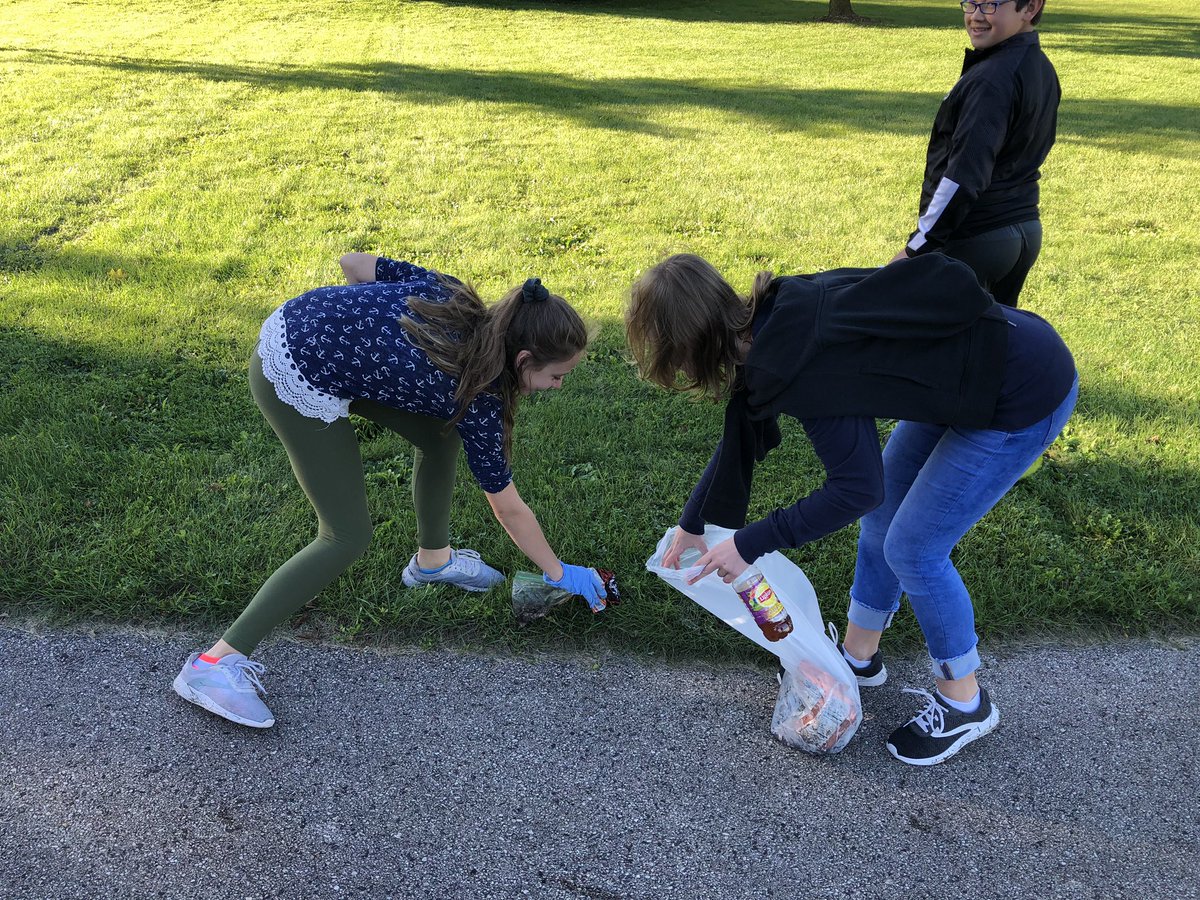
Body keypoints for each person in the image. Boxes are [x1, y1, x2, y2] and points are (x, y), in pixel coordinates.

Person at [625, 252, 1077, 766]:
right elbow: (743, 427)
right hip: (967, 373)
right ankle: (859, 659)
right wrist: (693, 523)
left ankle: (965, 700)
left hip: (1021, 387)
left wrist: (749, 545)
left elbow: (856, 488)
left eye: (676, 361)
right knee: (885, 525)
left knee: (915, 548)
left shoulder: (801, 366)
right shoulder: (767, 320)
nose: (682, 372)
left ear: (691, 346)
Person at [173, 253, 608, 728]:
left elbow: (355, 265)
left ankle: (432, 562)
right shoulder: (479, 396)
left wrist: (356, 337)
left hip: (308, 330)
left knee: (440, 434)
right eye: (556, 376)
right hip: (292, 371)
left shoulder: (455, 295)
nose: (559, 386)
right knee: (345, 536)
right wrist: (559, 573)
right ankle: (212, 667)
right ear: (523, 358)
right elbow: (508, 508)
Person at [892, 0, 1058, 309]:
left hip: (977, 240)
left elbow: (964, 176)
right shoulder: (1040, 67)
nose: (976, 16)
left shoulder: (991, 79)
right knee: (988, 349)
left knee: (925, 345)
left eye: (992, 4)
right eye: (971, 2)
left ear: (1030, 7)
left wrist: (917, 248)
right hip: (1024, 233)